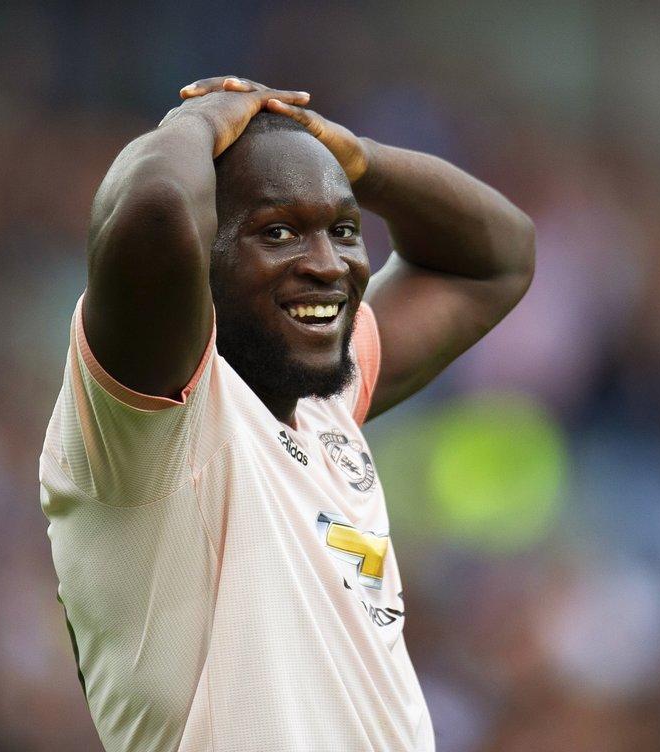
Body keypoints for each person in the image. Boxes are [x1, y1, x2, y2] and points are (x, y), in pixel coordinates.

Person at [39, 75, 534, 751]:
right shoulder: (155, 427)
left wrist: (358, 158)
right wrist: (203, 118)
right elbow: (154, 208)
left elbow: (494, 261)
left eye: (344, 229)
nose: (328, 265)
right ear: (201, 263)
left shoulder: (321, 404)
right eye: (278, 232)